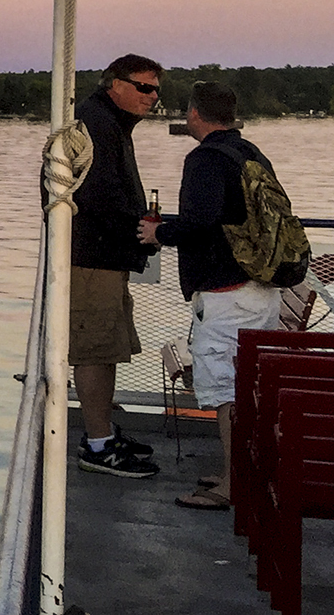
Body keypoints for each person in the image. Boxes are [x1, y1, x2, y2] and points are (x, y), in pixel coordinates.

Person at [139, 81, 283, 510]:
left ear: (195, 114)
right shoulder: (250, 152)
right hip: (261, 290)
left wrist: (159, 231)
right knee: (246, 389)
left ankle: (232, 487)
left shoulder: (204, 159)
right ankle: (236, 471)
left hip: (228, 296)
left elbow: (200, 221)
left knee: (226, 391)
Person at [68, 54, 164, 477]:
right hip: (91, 258)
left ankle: (102, 431)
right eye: (144, 88)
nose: (153, 97)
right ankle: (97, 445)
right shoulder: (95, 123)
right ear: (115, 85)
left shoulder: (109, 123)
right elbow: (96, 194)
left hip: (106, 256)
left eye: (157, 89)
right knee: (93, 349)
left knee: (106, 348)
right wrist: (136, 230)